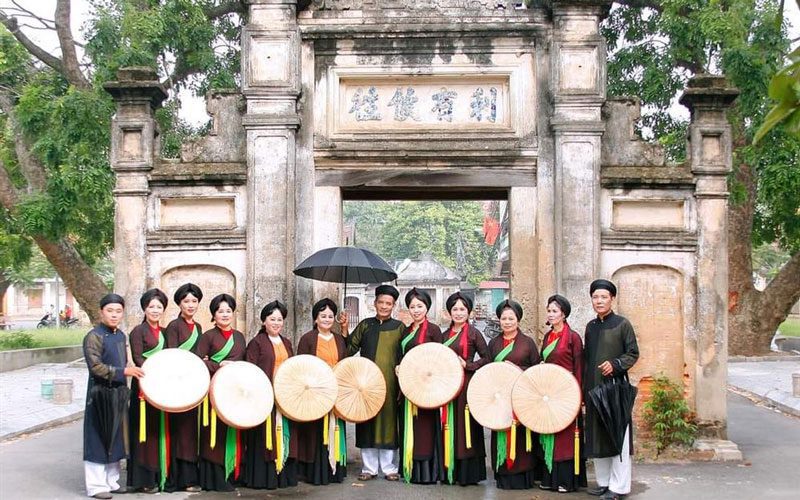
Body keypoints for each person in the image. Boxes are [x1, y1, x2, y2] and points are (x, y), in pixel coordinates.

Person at [340, 284, 405, 481]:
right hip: (366, 384)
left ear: (393, 305)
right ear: (374, 303)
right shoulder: (365, 325)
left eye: (389, 303)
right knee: (367, 421)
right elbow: (348, 349)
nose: (384, 306)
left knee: (388, 423)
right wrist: (344, 327)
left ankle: (389, 468)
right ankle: (368, 468)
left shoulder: (400, 327)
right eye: (381, 302)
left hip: (391, 383)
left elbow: (406, 355)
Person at [82, 293, 144, 499]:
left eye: (118, 311)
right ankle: (96, 486)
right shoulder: (93, 336)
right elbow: (96, 367)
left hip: (118, 393)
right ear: (101, 312)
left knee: (117, 436)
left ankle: (112, 481)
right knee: (98, 437)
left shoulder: (121, 335)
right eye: (110, 311)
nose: (114, 315)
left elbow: (126, 361)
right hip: (99, 394)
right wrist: (124, 372)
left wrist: (130, 366)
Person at [584, 280, 639, 500]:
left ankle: (619, 487)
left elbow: (633, 353)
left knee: (618, 438)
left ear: (612, 299)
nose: (599, 301)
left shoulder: (622, 324)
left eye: (604, 297)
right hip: (593, 389)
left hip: (614, 391)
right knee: (598, 437)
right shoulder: (590, 326)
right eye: (595, 297)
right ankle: (604, 483)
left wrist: (615, 364)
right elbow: (587, 359)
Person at [486, 299, 541, 490]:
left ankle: (523, 475)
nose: (507, 322)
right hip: (500, 398)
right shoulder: (493, 343)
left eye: (511, 318)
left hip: (520, 397)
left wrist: (516, 369)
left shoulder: (527, 343)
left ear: (518, 320)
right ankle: (503, 474)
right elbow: (488, 369)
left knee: (520, 436)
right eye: (503, 318)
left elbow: (536, 370)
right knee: (500, 430)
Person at [244, 300, 299, 490]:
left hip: (284, 396)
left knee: (284, 434)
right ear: (264, 321)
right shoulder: (256, 343)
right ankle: (263, 478)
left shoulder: (287, 342)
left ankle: (282, 475)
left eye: (279, 319)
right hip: (264, 396)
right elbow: (251, 370)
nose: (276, 323)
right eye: (272, 319)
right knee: (264, 439)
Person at [195, 294, 246, 491]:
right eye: (220, 311)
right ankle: (214, 478)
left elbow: (246, 361)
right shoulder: (207, 336)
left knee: (234, 429)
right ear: (213, 315)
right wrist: (219, 365)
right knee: (214, 434)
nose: (225, 315)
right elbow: (199, 362)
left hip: (234, 391)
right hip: (214, 391)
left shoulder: (239, 336)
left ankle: (233, 472)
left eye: (228, 311)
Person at [538, 294, 587, 493]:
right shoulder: (548, 336)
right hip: (549, 392)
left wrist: (579, 397)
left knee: (565, 436)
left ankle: (566, 480)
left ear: (564, 314)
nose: (551, 315)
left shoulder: (573, 337)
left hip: (567, 392)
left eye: (555, 311)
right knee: (549, 430)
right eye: (549, 311)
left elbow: (579, 368)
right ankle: (549, 477)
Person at [296, 298, 348, 485]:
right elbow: (301, 365)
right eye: (322, 316)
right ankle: (315, 471)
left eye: (330, 316)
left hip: (335, 390)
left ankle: (335, 468)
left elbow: (345, 362)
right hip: (315, 390)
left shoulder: (339, 339)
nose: (326, 319)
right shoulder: (308, 339)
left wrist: (344, 330)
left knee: (335, 427)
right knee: (314, 430)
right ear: (315, 318)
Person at [441, 291, 489, 486]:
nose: (459, 313)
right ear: (449, 312)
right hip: (446, 386)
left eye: (462, 309)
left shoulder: (474, 333)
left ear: (468, 312)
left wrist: (468, 365)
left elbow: (487, 358)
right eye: (455, 309)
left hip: (467, 386)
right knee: (449, 426)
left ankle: (468, 474)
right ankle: (449, 469)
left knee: (467, 426)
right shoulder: (444, 335)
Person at [398, 288, 444, 484]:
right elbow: (400, 355)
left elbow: (440, 358)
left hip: (428, 389)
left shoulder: (433, 330)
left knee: (425, 429)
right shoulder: (406, 330)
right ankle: (410, 468)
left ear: (427, 307)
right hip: (408, 386)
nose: (416, 310)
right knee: (410, 427)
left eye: (420, 306)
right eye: (412, 306)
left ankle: (428, 472)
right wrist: (398, 366)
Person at [127, 289, 169, 493]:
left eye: (159, 307)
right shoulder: (138, 331)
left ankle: (158, 474)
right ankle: (143, 479)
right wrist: (158, 371)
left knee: (158, 430)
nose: (155, 310)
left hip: (161, 386)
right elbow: (138, 358)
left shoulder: (165, 332)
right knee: (143, 431)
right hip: (144, 385)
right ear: (144, 308)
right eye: (151, 306)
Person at [163, 283, 203, 492]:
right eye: (186, 301)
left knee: (190, 431)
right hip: (178, 383)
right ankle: (178, 478)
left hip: (193, 383)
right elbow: (172, 355)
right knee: (178, 430)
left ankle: (190, 476)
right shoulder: (173, 326)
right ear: (179, 303)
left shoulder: (198, 328)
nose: (190, 305)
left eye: (194, 301)